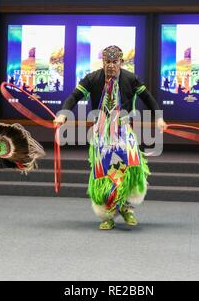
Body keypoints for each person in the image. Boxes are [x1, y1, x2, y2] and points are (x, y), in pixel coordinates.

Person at [54, 45, 167, 230]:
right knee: (103, 172)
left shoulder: (131, 79)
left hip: (124, 130)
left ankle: (127, 207)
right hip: (101, 132)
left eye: (115, 62)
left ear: (122, 62)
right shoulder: (92, 78)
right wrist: (63, 114)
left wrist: (160, 118)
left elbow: (148, 98)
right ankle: (107, 215)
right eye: (108, 61)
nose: (111, 66)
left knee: (132, 168)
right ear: (103, 62)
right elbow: (74, 96)